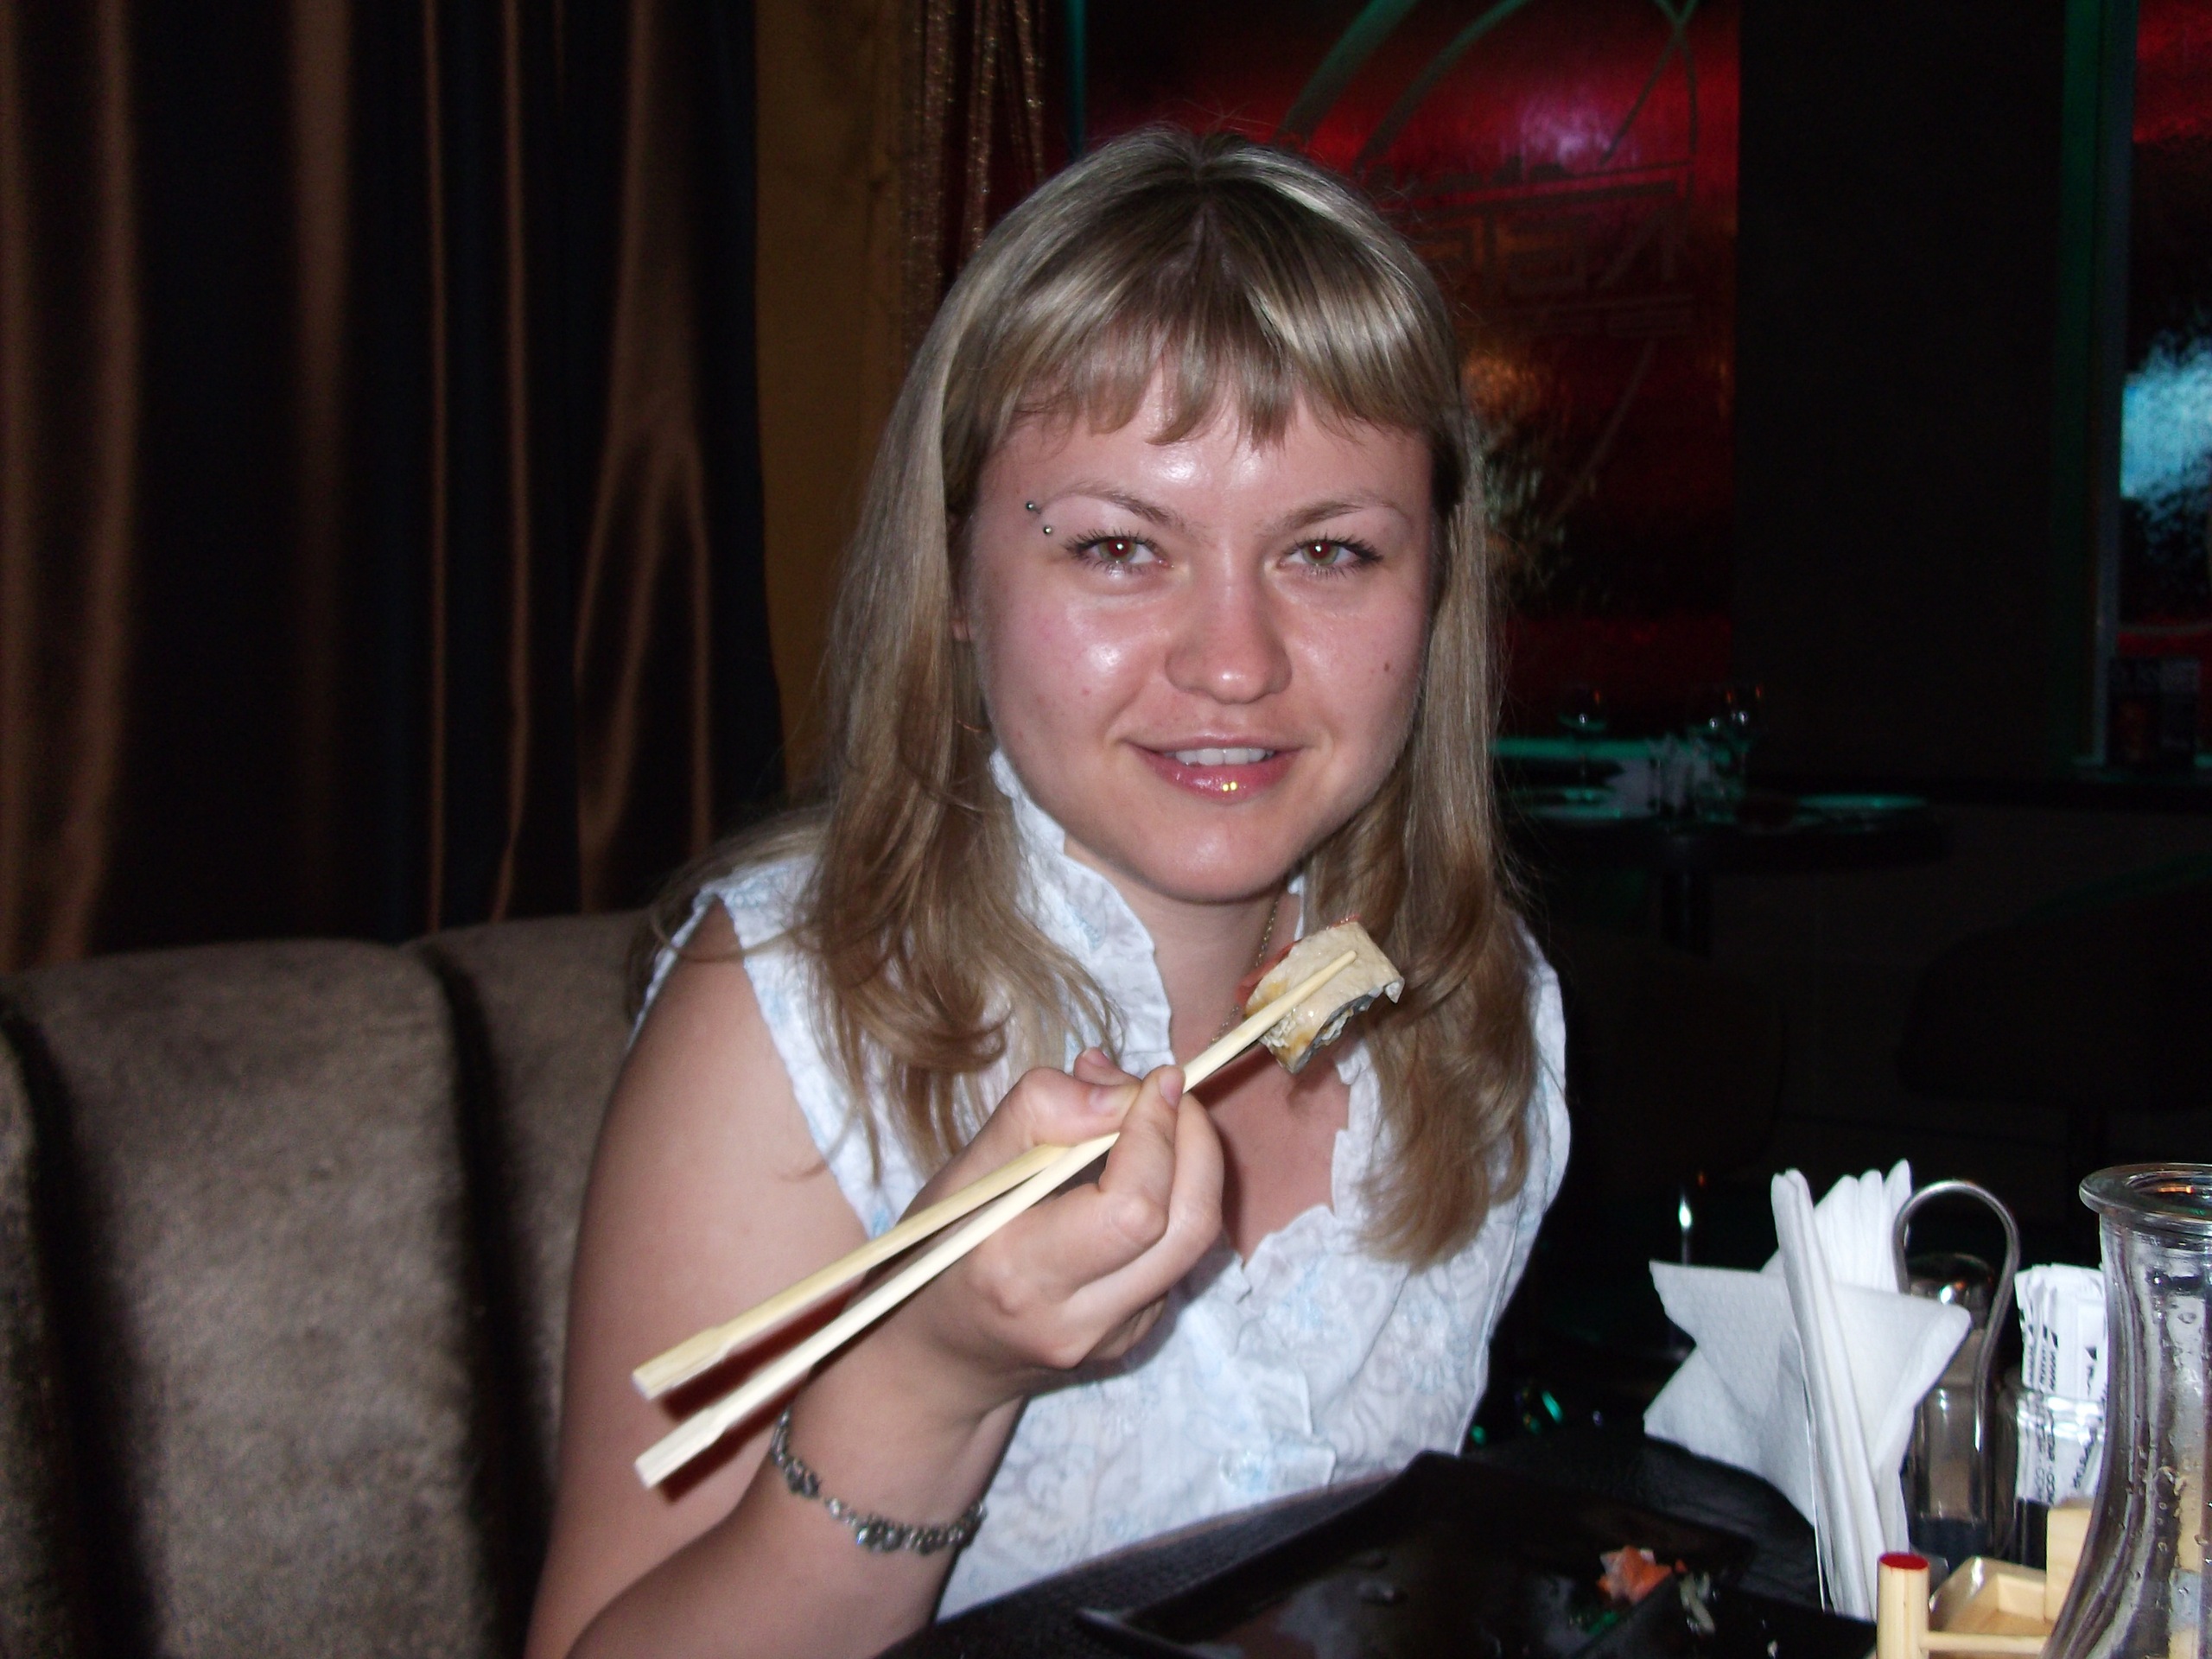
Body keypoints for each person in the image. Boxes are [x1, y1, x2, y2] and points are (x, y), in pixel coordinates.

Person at [527, 126, 1567, 1659]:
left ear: (1435, 590)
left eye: (1332, 552)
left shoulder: (1482, 1010)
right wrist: (930, 1378)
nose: (1234, 663)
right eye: (1120, 547)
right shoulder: (790, 1013)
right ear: (957, 578)